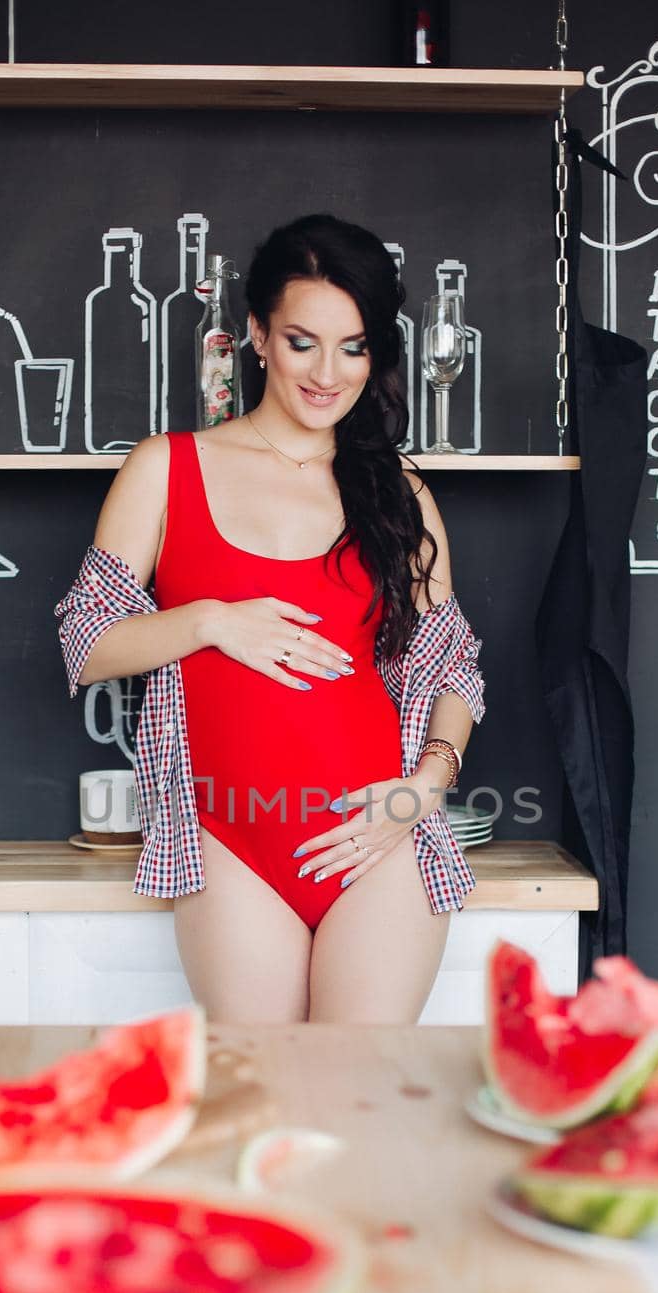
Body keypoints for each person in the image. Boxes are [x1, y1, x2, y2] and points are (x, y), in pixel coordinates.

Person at [55, 213, 484, 1025]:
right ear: (255, 334)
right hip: (229, 842)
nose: (327, 372)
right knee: (269, 1097)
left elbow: (449, 668)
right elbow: (86, 642)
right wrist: (209, 620)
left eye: (353, 347)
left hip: (378, 839)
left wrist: (422, 791)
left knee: (358, 1098)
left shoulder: (398, 493)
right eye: (301, 342)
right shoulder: (167, 467)